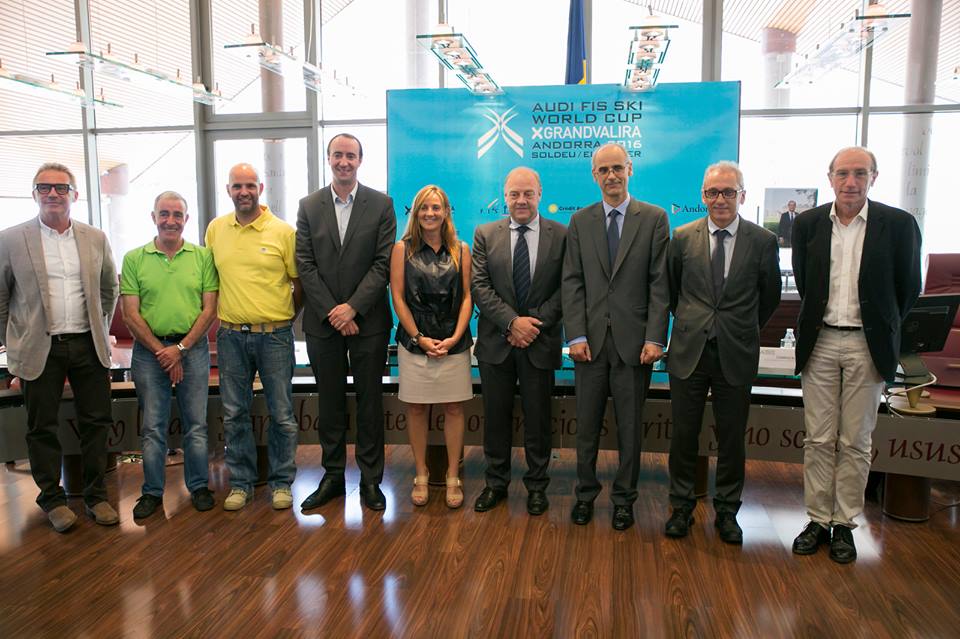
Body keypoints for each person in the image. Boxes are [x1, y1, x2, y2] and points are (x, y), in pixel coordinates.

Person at [791, 146, 921, 563]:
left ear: (874, 178)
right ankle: (816, 519)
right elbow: (806, 283)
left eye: (859, 174)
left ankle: (844, 524)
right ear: (829, 178)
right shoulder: (809, 224)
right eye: (843, 173)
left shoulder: (898, 225)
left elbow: (908, 289)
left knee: (857, 440)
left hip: (868, 344)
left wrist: (880, 329)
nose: (851, 182)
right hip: (822, 340)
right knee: (818, 437)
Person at [664, 161, 782, 543]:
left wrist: (738, 326)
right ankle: (681, 507)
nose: (720, 199)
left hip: (736, 351)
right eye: (712, 192)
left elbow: (769, 298)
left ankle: (728, 512)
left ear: (742, 196)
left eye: (728, 192)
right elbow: (671, 292)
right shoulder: (681, 238)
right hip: (689, 351)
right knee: (683, 435)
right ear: (702, 195)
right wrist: (696, 323)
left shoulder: (763, 242)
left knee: (732, 438)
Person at [0, 163, 119, 532]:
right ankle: (52, 498)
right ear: (34, 194)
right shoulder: (10, 239)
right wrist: (12, 344)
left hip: (88, 345)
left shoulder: (95, 237)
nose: (54, 194)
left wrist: (99, 325)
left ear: (74, 194)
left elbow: (108, 290)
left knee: (97, 422)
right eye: (45, 187)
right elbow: (2, 298)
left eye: (61, 188)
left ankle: (96, 495)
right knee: (41, 426)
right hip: (40, 349)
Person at [561, 143, 670, 531]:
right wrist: (574, 334)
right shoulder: (580, 221)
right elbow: (572, 282)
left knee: (629, 429)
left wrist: (656, 338)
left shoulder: (654, 218)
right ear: (594, 175)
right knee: (586, 428)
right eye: (603, 170)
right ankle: (585, 495)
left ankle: (625, 499)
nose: (611, 176)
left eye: (617, 168)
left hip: (634, 345)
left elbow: (660, 284)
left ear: (630, 170)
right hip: (588, 345)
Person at [296, 133, 396, 513]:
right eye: (337, 155)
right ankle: (333, 477)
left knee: (370, 404)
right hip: (323, 325)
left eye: (350, 155)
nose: (344, 161)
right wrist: (334, 313)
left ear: (360, 160)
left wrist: (352, 308)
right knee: (331, 404)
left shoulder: (381, 205)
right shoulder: (309, 206)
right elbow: (305, 264)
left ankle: (371, 480)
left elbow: (383, 263)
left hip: (368, 322)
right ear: (329, 158)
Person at [205, 163, 302, 511]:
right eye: (236, 186)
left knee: (282, 413)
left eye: (249, 185)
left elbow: (298, 283)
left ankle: (281, 483)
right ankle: (241, 484)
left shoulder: (283, 232)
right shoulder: (216, 230)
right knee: (234, 414)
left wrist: (284, 316)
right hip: (230, 336)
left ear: (260, 187)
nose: (243, 192)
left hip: (274, 335)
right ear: (228, 189)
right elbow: (210, 283)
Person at [471, 167, 566, 516]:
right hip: (497, 343)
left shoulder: (562, 234)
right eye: (514, 194)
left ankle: (537, 486)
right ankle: (495, 483)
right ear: (505, 196)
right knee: (495, 419)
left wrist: (532, 325)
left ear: (540, 193)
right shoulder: (485, 233)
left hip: (539, 343)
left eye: (528, 193)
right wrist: (512, 322)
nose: (521, 200)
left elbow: (565, 289)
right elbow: (480, 286)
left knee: (539, 420)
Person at [120, 191, 219, 519]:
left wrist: (180, 349)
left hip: (192, 350)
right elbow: (130, 314)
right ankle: (151, 492)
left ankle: (199, 486)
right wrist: (163, 352)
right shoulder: (134, 258)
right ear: (153, 217)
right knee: (152, 426)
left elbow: (209, 310)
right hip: (150, 353)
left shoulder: (202, 256)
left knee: (196, 425)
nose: (171, 220)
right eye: (164, 214)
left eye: (178, 214)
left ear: (186, 220)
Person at [390, 185, 473, 509]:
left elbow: (468, 296)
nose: (430, 213)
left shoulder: (461, 249)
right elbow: (397, 297)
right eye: (424, 207)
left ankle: (453, 475)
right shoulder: (402, 248)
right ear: (415, 212)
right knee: (416, 408)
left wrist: (455, 336)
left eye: (436, 207)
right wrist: (418, 338)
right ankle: (421, 473)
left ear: (446, 211)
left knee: (453, 408)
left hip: (453, 341)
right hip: (415, 343)